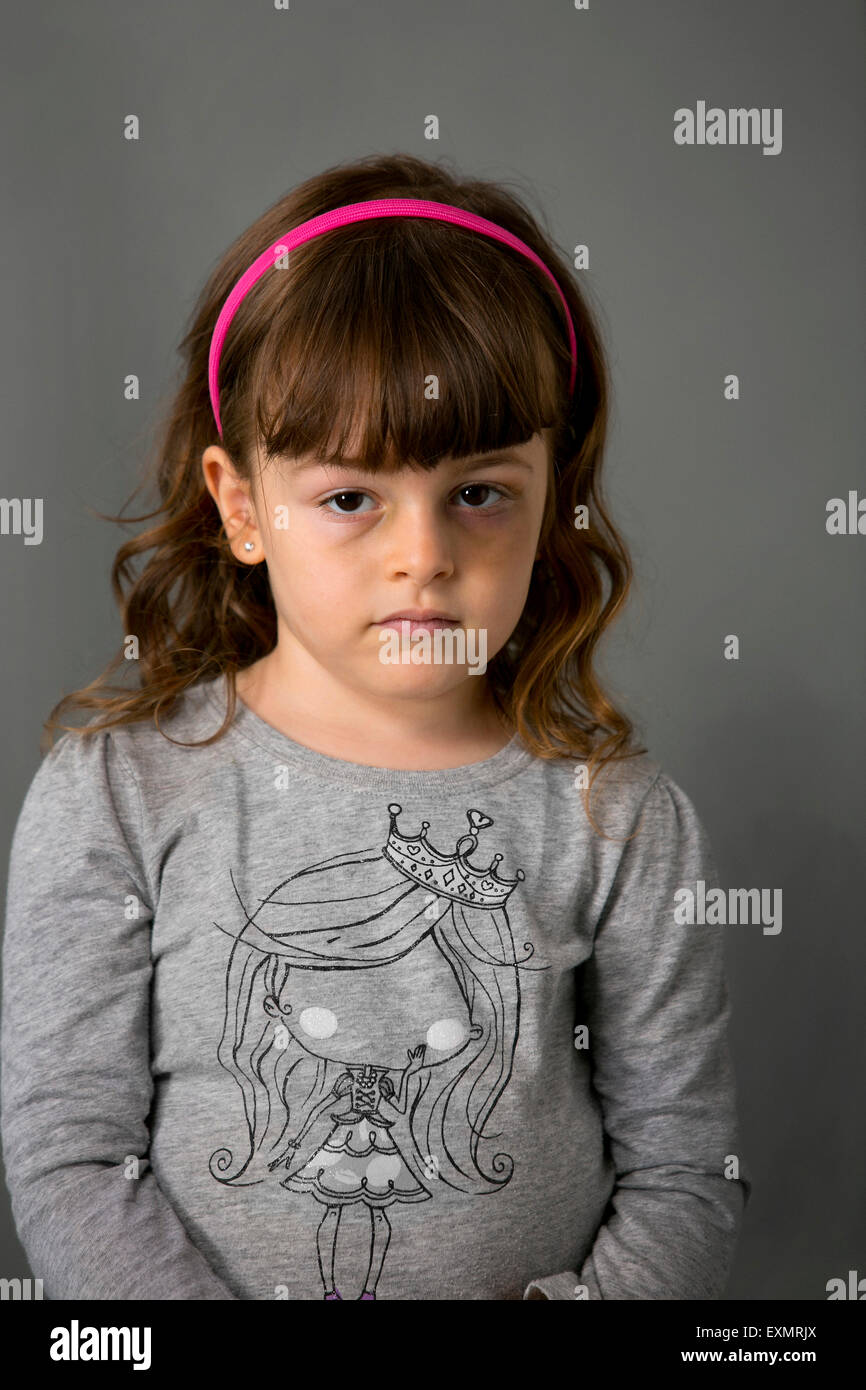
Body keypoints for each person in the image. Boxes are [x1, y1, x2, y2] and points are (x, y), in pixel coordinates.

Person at [0, 152, 751, 1301]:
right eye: (350, 497)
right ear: (242, 506)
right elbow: (70, 1154)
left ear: (552, 498)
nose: (424, 555)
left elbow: (687, 1171)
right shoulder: (116, 792)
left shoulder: (620, 820)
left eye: (479, 492)